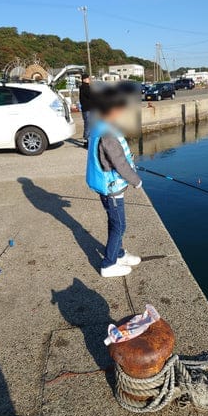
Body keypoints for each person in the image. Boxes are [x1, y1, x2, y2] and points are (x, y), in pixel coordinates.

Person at [86, 87, 142, 278]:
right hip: (112, 189)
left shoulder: (101, 126)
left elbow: (113, 157)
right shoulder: (107, 133)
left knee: (115, 222)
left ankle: (118, 254)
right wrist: (136, 180)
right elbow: (119, 163)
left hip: (109, 186)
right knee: (119, 225)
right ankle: (108, 264)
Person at [79, 73, 95, 148]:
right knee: (88, 126)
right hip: (87, 110)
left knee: (90, 125)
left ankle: (89, 141)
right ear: (84, 79)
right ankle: (86, 143)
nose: (89, 79)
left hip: (88, 109)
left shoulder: (85, 87)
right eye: (88, 78)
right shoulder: (84, 87)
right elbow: (92, 96)